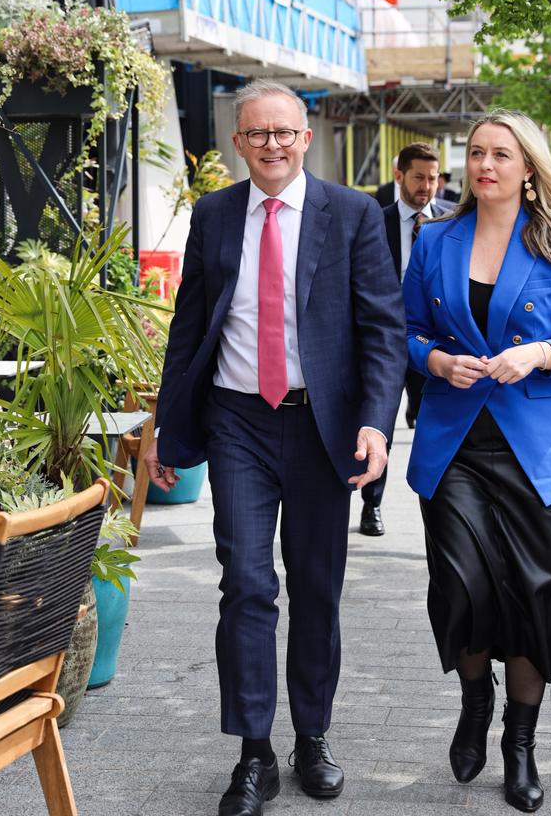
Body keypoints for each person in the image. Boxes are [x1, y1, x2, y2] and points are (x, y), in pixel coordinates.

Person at [144, 79, 407, 816]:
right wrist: (169, 423)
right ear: (238, 142)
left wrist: (377, 423)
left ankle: (313, 737)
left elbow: (383, 332)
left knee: (317, 590)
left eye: (285, 133)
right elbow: (189, 326)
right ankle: (253, 751)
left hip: (323, 427)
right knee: (248, 585)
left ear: (306, 137)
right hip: (238, 423)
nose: (273, 146)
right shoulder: (215, 215)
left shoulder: (351, 215)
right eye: (258, 135)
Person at [403, 108, 551, 813]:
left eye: (501, 154)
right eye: (477, 153)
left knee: (532, 603)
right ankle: (473, 700)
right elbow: (406, 331)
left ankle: (519, 747)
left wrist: (541, 353)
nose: (485, 165)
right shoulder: (435, 241)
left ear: (528, 169)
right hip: (454, 445)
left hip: (538, 453)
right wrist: (435, 359)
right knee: (463, 590)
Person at [360, 143, 453, 537]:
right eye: (419, 177)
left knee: (435, 421)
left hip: (431, 344)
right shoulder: (373, 222)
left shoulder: (451, 222)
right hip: (384, 341)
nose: (427, 187)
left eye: (433, 179)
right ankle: (372, 506)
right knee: (380, 424)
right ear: (399, 176)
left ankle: (445, 507)